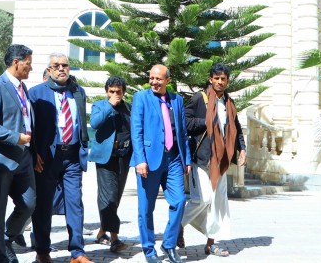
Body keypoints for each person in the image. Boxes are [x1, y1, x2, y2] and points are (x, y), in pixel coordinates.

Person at [28, 53, 92, 263]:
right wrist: (34, 153)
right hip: (47, 157)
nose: (61, 69)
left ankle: (78, 252)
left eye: (65, 65)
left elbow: (81, 122)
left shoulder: (78, 92)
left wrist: (84, 145)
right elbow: (30, 127)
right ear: (49, 69)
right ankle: (42, 251)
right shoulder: (36, 93)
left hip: (72, 156)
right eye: (56, 66)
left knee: (75, 203)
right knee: (44, 204)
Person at [180, 63, 247, 257]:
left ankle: (212, 243)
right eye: (216, 78)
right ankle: (178, 226)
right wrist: (208, 122)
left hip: (222, 161)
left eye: (223, 78)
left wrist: (242, 149)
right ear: (210, 79)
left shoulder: (229, 103)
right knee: (202, 199)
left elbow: (237, 127)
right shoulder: (199, 99)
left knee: (218, 204)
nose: (219, 82)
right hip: (201, 158)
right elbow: (186, 122)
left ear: (227, 80)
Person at [0, 44, 37, 263]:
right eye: (28, 63)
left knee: (29, 204)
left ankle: (5, 239)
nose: (30, 68)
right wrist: (15, 137)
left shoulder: (24, 88)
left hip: (23, 158)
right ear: (16, 62)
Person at [131, 64, 191, 263]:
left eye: (158, 79)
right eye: (151, 78)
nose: (154, 82)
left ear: (168, 81)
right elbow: (136, 131)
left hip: (174, 158)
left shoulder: (177, 100)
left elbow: (182, 132)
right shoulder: (141, 98)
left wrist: (187, 159)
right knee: (146, 208)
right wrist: (140, 159)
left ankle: (169, 244)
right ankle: (149, 250)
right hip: (149, 160)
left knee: (179, 201)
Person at [88, 76, 132, 254]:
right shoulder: (100, 105)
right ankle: (114, 238)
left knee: (116, 197)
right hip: (106, 158)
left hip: (124, 157)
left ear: (123, 92)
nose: (115, 94)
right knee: (109, 197)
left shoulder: (129, 108)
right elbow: (95, 123)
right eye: (112, 91)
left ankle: (101, 232)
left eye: (118, 92)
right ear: (107, 92)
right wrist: (110, 105)